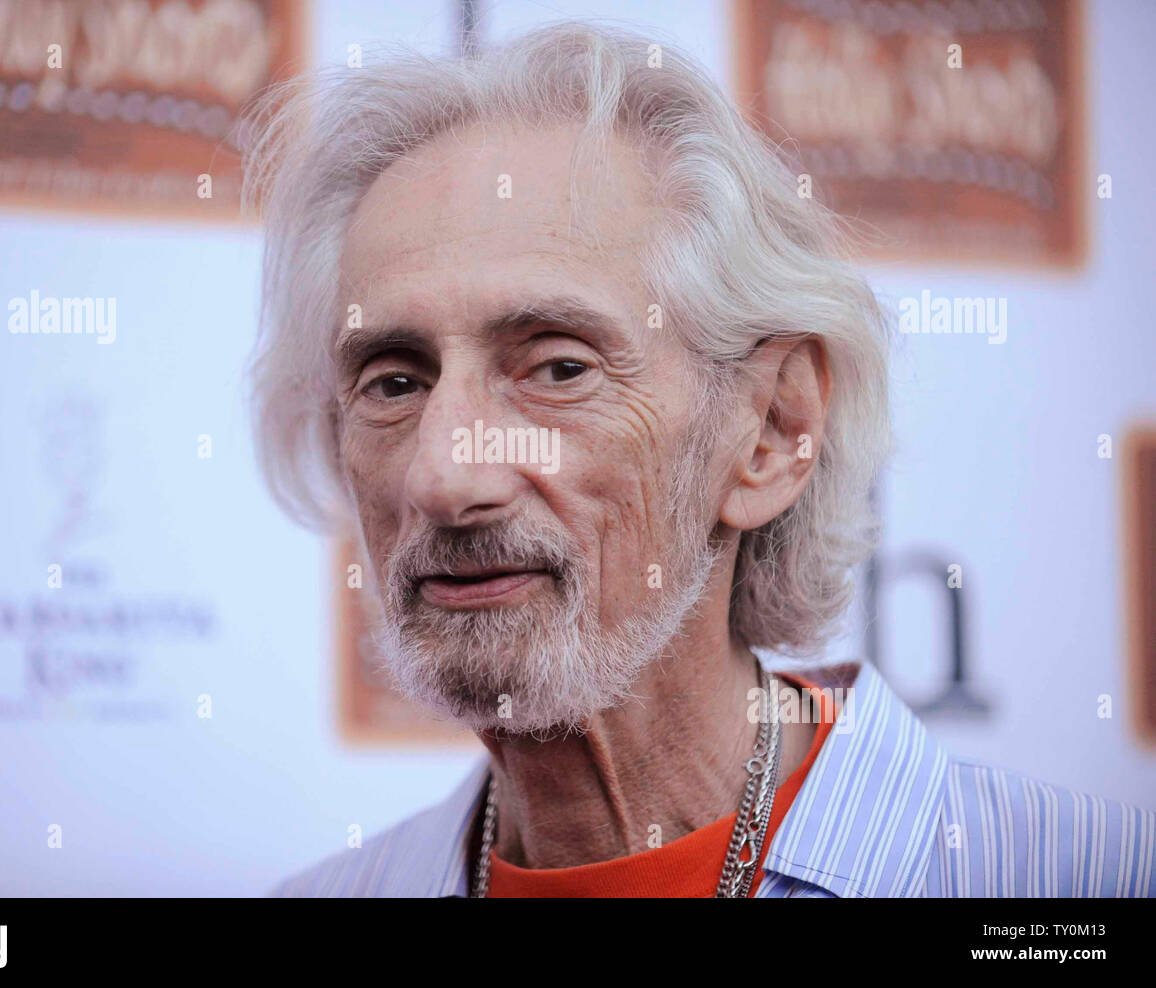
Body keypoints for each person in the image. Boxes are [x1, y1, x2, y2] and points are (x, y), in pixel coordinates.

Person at [244, 22, 1155, 897]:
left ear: (769, 433)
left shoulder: (1076, 883)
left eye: (559, 368)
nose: (444, 476)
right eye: (394, 382)